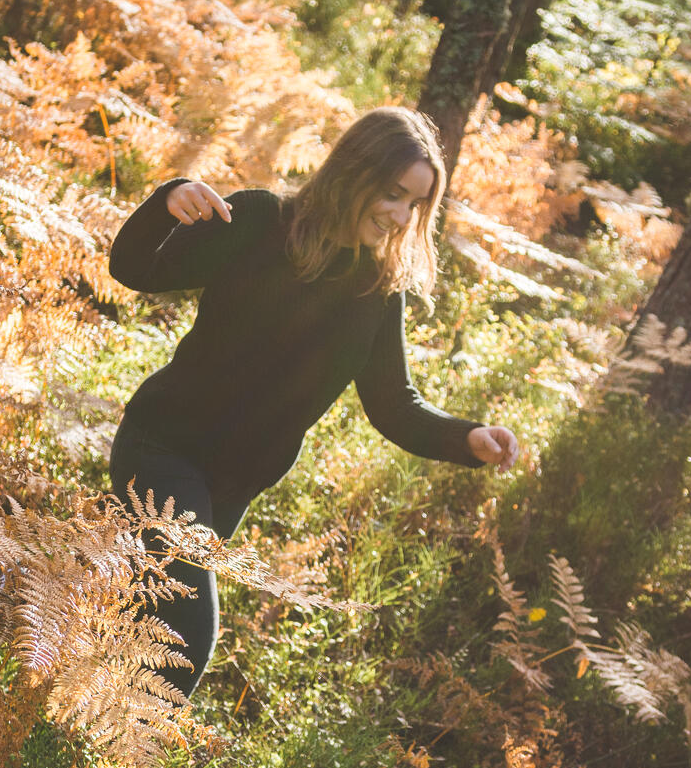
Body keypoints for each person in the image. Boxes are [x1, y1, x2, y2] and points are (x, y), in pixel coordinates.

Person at [108, 106, 519, 695]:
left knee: (139, 613)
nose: (401, 215)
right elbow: (133, 269)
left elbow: (394, 404)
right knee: (187, 630)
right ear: (354, 171)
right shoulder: (256, 221)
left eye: (416, 205)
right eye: (393, 193)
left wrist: (467, 437)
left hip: (231, 486)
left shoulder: (377, 290)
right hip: (162, 447)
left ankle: (62, 743)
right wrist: (168, 201)